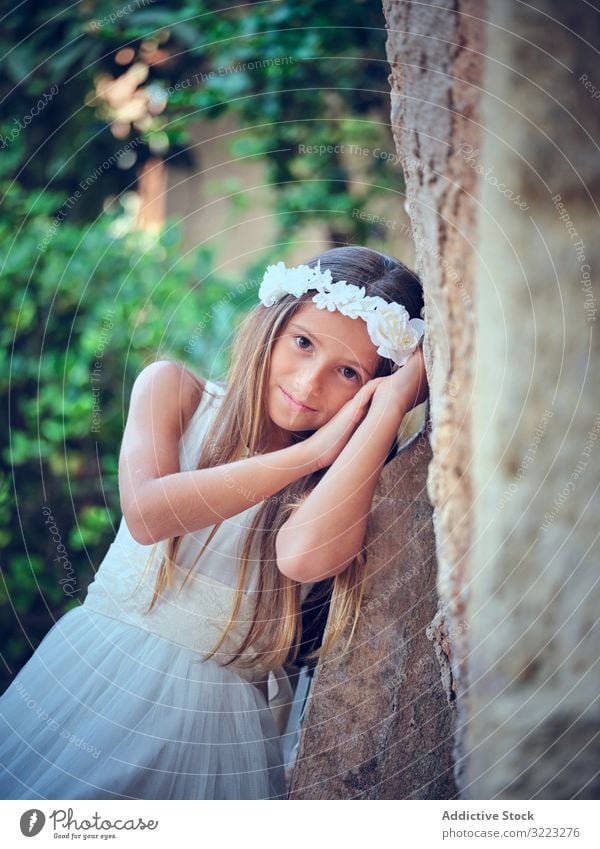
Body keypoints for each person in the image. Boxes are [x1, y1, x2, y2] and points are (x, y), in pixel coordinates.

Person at [0, 245, 428, 800]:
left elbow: (301, 557)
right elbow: (151, 514)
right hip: (102, 679)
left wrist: (391, 407)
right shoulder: (174, 390)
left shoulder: (339, 485)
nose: (309, 382)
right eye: (302, 343)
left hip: (221, 727)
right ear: (271, 326)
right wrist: (310, 452)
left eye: (348, 372)